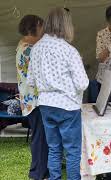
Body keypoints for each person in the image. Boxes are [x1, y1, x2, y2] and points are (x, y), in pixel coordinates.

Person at [27, 8, 89, 180]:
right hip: (68, 106)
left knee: (54, 148)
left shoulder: (36, 48)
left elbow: (30, 81)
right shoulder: (69, 51)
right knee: (72, 151)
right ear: (66, 25)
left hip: (46, 104)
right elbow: (83, 83)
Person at [16, 14, 48, 180]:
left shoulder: (23, 45)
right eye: (41, 27)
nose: (43, 31)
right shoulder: (29, 50)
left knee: (39, 136)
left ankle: (41, 171)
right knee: (40, 138)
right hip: (35, 101)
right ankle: (37, 173)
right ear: (32, 29)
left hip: (29, 100)